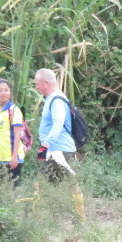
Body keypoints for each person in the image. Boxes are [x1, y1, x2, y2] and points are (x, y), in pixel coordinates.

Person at [33, 67, 86, 218]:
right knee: (69, 185)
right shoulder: (53, 98)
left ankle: (36, 219)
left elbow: (58, 124)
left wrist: (45, 145)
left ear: (46, 82)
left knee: (41, 184)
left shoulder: (56, 100)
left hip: (58, 151)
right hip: (58, 150)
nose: (36, 87)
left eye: (37, 83)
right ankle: (77, 218)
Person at [0, 78, 25, 187]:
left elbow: (17, 134)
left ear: (10, 92)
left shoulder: (14, 110)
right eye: (0, 90)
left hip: (12, 158)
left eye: (6, 90)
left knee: (13, 188)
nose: (3, 93)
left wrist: (14, 157)